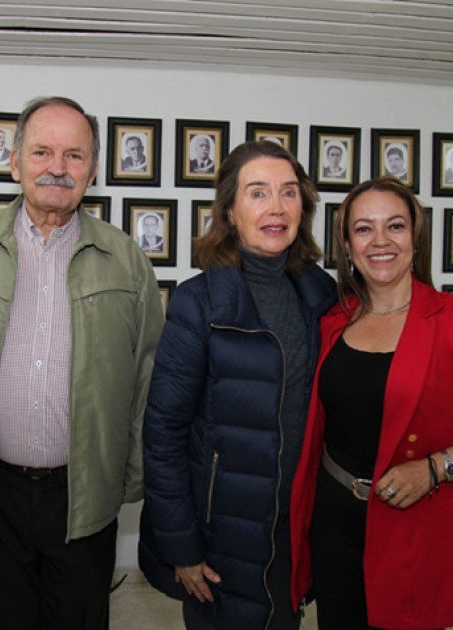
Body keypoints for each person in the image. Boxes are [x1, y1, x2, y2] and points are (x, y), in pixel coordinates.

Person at [0, 96, 164, 630]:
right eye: (42, 151)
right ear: (15, 163)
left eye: (75, 155)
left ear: (93, 171)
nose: (58, 167)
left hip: (84, 495)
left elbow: (149, 378)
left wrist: (130, 478)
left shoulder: (126, 260)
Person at [290, 176, 453, 629]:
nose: (381, 241)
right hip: (336, 520)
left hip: (417, 522)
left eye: (396, 226)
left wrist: (435, 467)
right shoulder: (333, 319)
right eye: (364, 229)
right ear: (347, 246)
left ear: (415, 238)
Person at [140, 141, 337, 630]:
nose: (276, 207)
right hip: (220, 534)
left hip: (295, 526)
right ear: (230, 211)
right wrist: (181, 547)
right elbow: (163, 434)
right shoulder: (197, 302)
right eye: (258, 193)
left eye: (289, 193)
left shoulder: (323, 295)